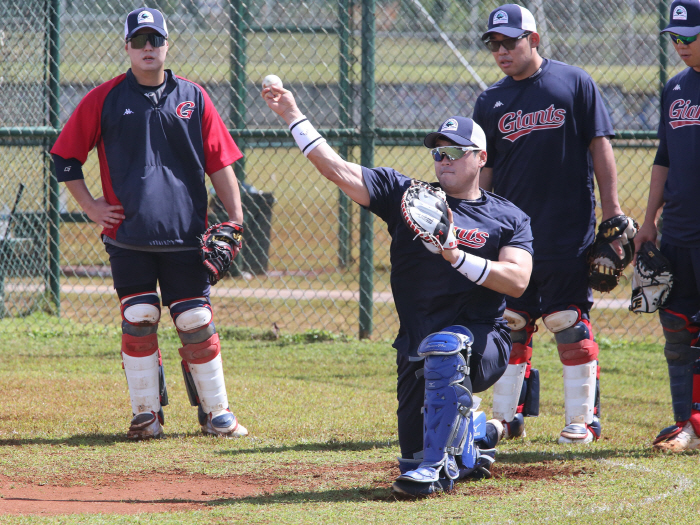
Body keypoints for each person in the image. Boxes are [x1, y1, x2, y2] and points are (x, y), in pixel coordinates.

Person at [262, 83, 533, 495]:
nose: (443, 160)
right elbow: (336, 168)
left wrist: (457, 256)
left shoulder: (507, 217)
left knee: (444, 354)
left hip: (482, 342)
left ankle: (437, 465)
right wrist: (291, 116)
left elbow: (517, 279)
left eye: (455, 152)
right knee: (411, 453)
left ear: (481, 158)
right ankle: (473, 436)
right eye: (437, 152)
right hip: (415, 344)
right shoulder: (410, 196)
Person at [50, 7, 248, 440]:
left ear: (166, 45)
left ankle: (217, 412)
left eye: (154, 40)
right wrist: (91, 208)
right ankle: (146, 413)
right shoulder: (104, 98)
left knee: (195, 320)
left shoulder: (194, 98)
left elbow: (220, 162)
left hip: (187, 235)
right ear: (126, 47)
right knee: (139, 316)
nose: (147, 48)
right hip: (129, 236)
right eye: (138, 41)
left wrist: (234, 217)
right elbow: (65, 159)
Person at [473, 4, 633, 444]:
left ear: (535, 40)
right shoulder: (490, 101)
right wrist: (478, 224)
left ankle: (583, 419)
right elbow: (485, 171)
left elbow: (600, 146)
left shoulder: (573, 82)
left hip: (567, 227)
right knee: (511, 321)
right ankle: (507, 417)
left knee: (567, 319)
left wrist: (613, 211)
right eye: (495, 44)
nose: (502, 51)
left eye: (511, 42)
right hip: (512, 236)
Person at [635, 0, 700, 452]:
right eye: (674, 38)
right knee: (677, 328)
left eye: (689, 37)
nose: (680, 46)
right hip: (677, 229)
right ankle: (686, 424)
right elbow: (663, 158)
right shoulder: (675, 88)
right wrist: (647, 222)